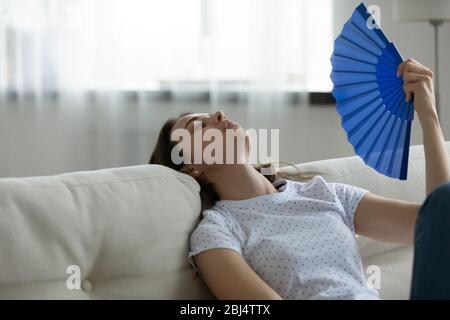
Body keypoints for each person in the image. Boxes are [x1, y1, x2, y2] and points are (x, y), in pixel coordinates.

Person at [149, 58, 450, 299]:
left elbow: (439, 221)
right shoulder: (217, 231)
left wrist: (428, 114)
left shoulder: (325, 194)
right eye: (199, 127)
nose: (217, 113)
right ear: (191, 168)